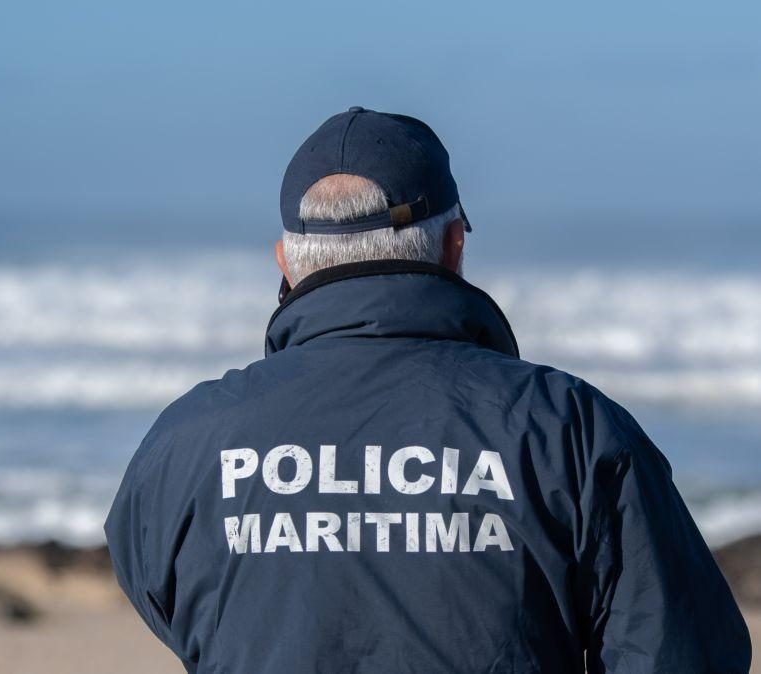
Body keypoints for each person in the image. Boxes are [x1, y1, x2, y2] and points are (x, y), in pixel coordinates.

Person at [105, 107, 751, 673]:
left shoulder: (185, 443)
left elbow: (170, 606)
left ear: (285, 260)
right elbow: (679, 651)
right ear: (452, 242)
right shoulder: (566, 429)